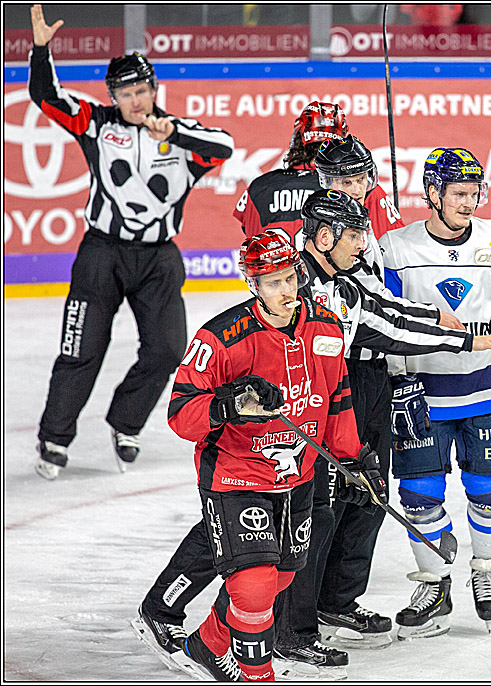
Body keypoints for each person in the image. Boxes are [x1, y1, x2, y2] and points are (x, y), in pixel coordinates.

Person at [281, 189, 491, 656]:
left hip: (343, 398)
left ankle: (327, 608)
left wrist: (466, 331)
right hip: (301, 412)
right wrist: (459, 341)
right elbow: (388, 326)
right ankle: (287, 630)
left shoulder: (346, 284)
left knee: (362, 496)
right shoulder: (300, 282)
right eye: (354, 233)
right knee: (302, 516)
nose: (364, 241)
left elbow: (387, 313)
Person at [165, 231, 386, 681]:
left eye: (290, 278)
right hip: (235, 473)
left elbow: (337, 398)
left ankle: (206, 644)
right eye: (273, 283)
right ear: (254, 286)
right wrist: (228, 403)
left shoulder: (325, 326)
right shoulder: (222, 337)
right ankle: (257, 674)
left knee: (282, 576)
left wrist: (354, 462)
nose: (286, 291)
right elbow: (180, 414)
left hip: (298, 475)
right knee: (253, 585)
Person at [28, 4, 235, 480]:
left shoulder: (183, 138)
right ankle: (54, 436)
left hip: (159, 259)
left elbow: (224, 145)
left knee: (166, 350)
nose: (136, 100)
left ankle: (125, 423)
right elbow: (46, 96)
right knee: (80, 349)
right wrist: (41, 50)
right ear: (114, 96)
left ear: (155, 90)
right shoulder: (97, 125)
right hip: (102, 254)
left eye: (142, 90)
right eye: (126, 92)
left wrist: (173, 130)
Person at [379, 147, 491, 638]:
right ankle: (434, 584)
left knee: (489, 494)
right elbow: (386, 319)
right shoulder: (397, 248)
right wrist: (397, 381)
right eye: (458, 194)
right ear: (433, 194)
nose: (469, 203)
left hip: (489, 390)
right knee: (419, 496)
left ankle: (486, 573)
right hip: (422, 397)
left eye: (475, 193)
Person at [233, 100, 348, 251]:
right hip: (327, 274)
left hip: (272, 273)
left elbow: (251, 237)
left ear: (298, 139)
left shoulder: (259, 187)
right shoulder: (346, 189)